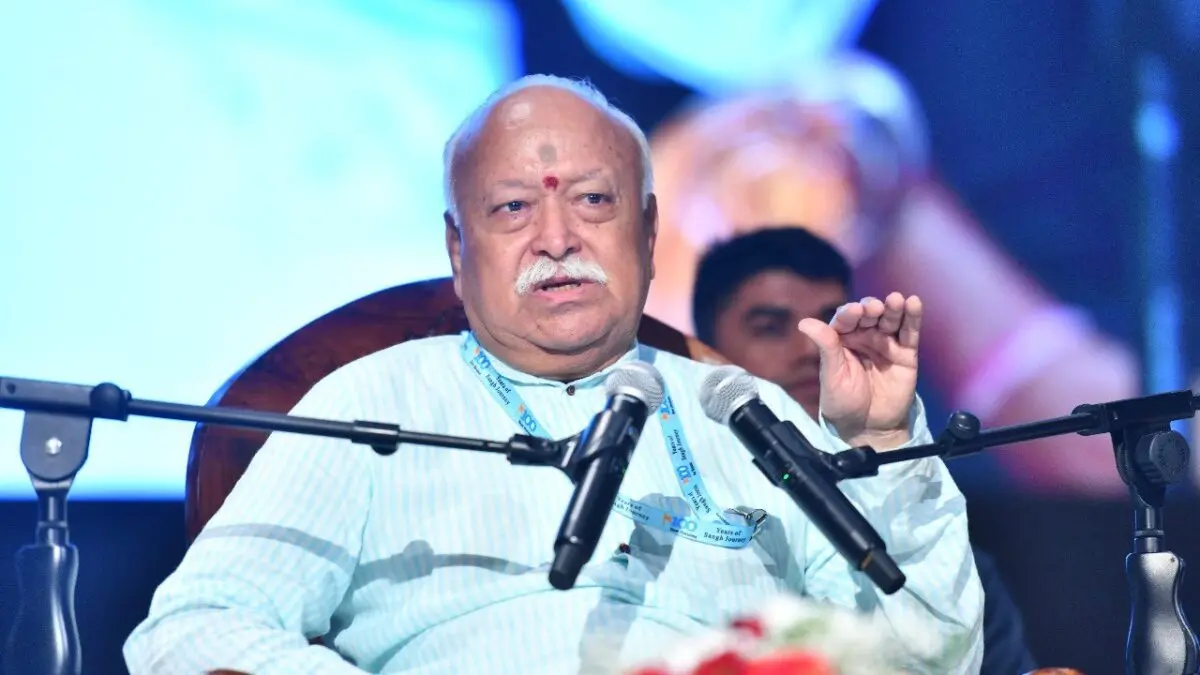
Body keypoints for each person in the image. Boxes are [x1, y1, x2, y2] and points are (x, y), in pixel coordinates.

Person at [124, 75, 983, 674]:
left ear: (648, 231)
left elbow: (929, 657)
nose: (558, 237)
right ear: (458, 250)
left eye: (593, 200)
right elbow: (194, 629)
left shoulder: (743, 410)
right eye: (513, 207)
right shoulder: (373, 398)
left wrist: (881, 446)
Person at [692, 226, 1038, 674]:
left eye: (830, 326)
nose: (810, 349)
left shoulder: (927, 546)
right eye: (771, 329)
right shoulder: (668, 523)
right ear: (707, 355)